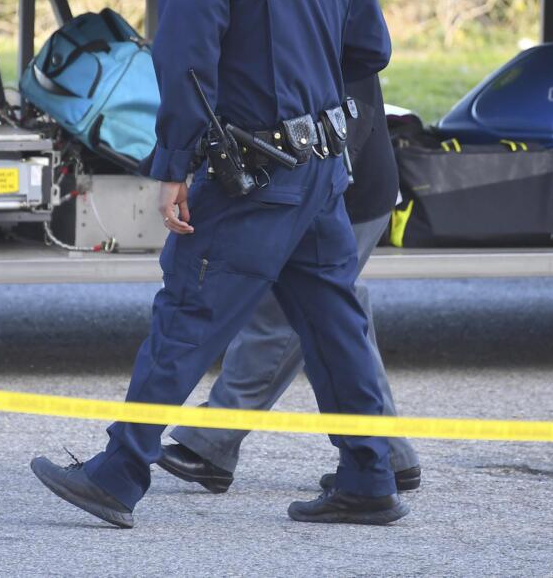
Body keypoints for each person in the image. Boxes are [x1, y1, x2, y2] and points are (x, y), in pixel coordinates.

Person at [30, 0, 410, 528]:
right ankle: (368, 474)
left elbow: (185, 63)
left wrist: (173, 167)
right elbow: (370, 50)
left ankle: (118, 471)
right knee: (334, 324)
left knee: (188, 313)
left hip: (257, 176)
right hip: (325, 172)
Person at [157, 73, 422, 495]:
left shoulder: (323, 11)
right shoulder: (320, 10)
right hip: (332, 174)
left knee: (281, 313)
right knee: (338, 313)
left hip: (339, 180)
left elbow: (363, 65)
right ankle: (387, 455)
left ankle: (211, 444)